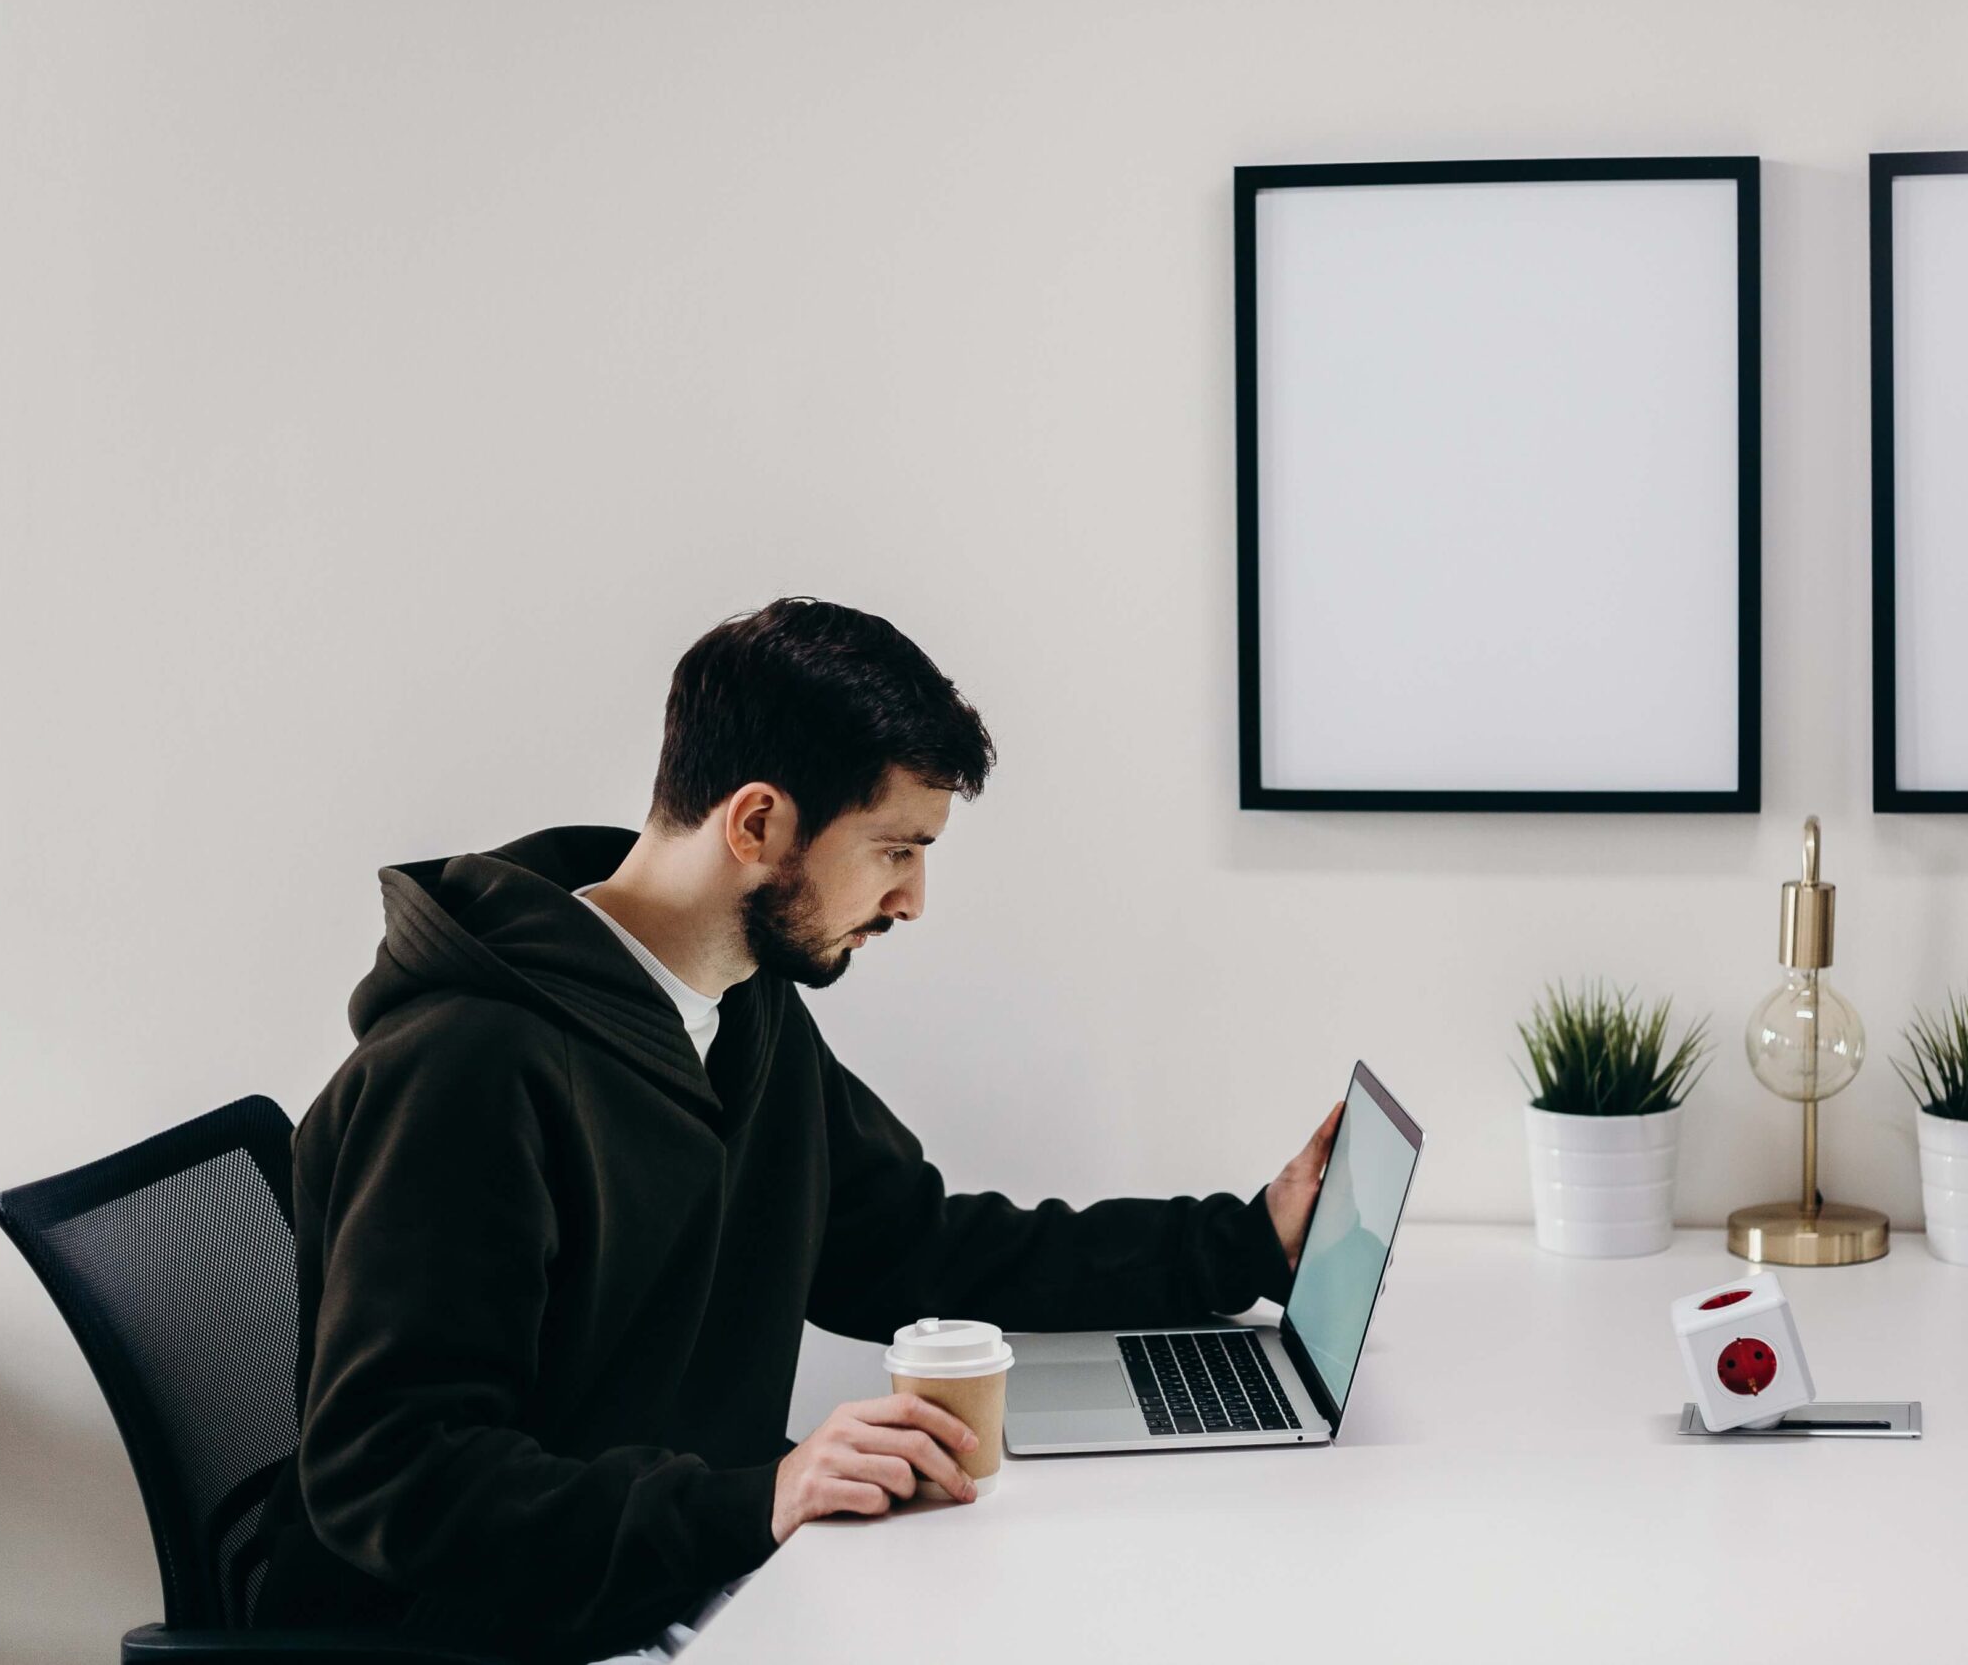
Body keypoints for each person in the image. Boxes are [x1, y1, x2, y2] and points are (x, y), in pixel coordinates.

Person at [251, 597, 1343, 1664]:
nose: (913, 899)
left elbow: (908, 1246)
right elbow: (392, 1474)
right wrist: (756, 1499)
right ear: (759, 823)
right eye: (894, 850)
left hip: (684, 1575)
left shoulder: (742, 1009)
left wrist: (1245, 1242)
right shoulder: (466, 1067)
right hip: (519, 1628)